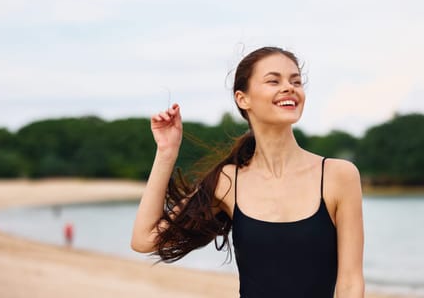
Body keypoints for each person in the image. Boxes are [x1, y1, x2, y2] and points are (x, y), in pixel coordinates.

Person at [131, 46, 364, 298]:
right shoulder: (229, 181)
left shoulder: (338, 176)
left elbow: (350, 283)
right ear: (243, 99)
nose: (289, 87)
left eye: (295, 81)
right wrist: (166, 153)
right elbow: (145, 239)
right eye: (274, 80)